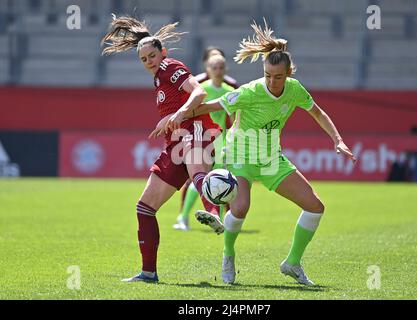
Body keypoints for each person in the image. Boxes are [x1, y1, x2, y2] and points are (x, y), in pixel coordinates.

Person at [165, 20, 356, 285]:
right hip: (239, 157)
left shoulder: (295, 90)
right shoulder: (251, 91)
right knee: (241, 208)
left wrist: (338, 140)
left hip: (270, 159)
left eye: (278, 76)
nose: (272, 81)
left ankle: (292, 263)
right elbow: (209, 106)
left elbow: (318, 112)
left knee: (315, 207)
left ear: (288, 73)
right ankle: (228, 255)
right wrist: (179, 114)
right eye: (268, 75)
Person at [101, 15, 224, 283]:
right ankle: (148, 273)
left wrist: (179, 113)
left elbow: (198, 92)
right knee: (144, 207)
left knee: (197, 174)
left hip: (195, 131)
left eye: (152, 55)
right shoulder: (159, 78)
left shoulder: (170, 67)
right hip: (175, 142)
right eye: (144, 59)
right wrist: (169, 120)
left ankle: (214, 212)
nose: (149, 62)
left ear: (163, 52)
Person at [175, 47, 239, 230]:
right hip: (201, 137)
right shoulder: (202, 90)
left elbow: (233, 120)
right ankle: (183, 216)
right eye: (215, 67)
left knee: (216, 179)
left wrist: (233, 138)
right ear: (208, 69)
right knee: (201, 178)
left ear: (225, 69)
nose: (218, 70)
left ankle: (214, 218)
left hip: (221, 141)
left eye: (221, 67)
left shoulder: (230, 91)